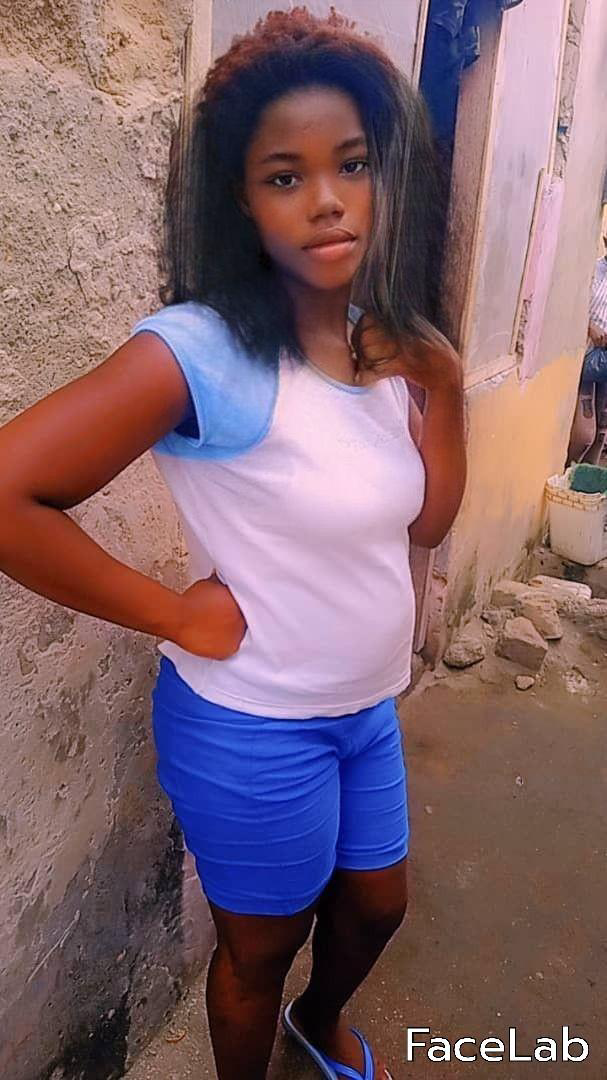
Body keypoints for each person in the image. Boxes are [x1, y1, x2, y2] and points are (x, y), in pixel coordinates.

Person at [0, 8, 466, 1080]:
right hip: (253, 723)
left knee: (376, 908)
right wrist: (170, 612)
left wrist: (440, 382)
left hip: (363, 708)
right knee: (258, 952)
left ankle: (317, 1023)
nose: (328, 198)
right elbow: (10, 492)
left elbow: (427, 524)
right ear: (241, 202)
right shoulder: (203, 350)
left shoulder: (378, 338)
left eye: (352, 163)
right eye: (284, 176)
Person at [568, 236, 607, 465]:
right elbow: (570, 305)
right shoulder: (591, 271)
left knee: (601, 433)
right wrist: (589, 326)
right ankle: (569, 472)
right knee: (584, 436)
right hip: (586, 357)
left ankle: (587, 482)